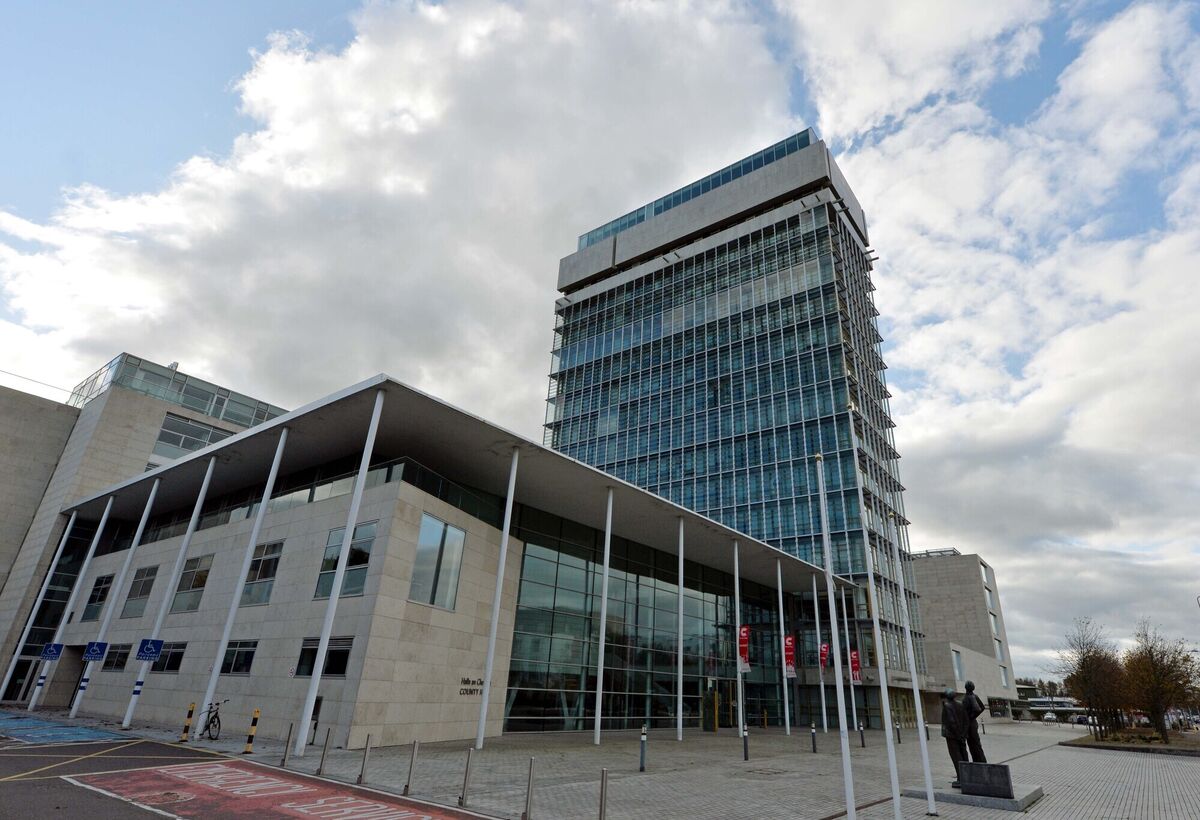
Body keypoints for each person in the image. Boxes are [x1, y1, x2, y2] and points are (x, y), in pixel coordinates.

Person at [940, 688, 969, 787]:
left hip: (953, 736)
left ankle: (961, 779)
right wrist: (963, 734)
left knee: (956, 757)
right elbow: (966, 721)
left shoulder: (947, 706)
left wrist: (958, 735)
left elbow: (952, 722)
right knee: (964, 755)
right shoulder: (961, 704)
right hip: (961, 735)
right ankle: (967, 776)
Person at [963, 680, 987, 763]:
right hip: (972, 723)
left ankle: (979, 761)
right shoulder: (974, 696)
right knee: (975, 743)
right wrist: (973, 717)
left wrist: (971, 717)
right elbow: (982, 707)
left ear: (966, 687)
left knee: (974, 744)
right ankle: (979, 761)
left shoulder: (969, 697)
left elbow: (978, 709)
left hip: (970, 724)